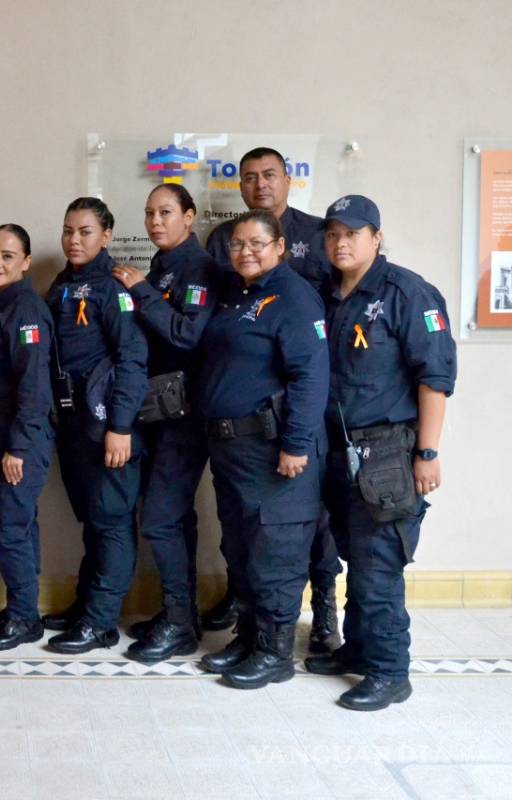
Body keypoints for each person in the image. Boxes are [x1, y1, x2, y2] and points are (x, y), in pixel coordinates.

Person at [306, 195, 456, 710]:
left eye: (352, 232)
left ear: (376, 236)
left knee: (378, 566)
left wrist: (428, 452)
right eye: (332, 233)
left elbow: (434, 379)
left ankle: (391, 672)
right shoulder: (326, 293)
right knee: (354, 556)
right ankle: (359, 650)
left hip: (388, 451)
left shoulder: (407, 293)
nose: (340, 242)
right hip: (336, 448)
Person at [203, 146, 342, 652]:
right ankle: (248, 640)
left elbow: (310, 372)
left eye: (258, 245)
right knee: (244, 546)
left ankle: (278, 648)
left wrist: (297, 442)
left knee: (282, 547)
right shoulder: (241, 291)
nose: (246, 252)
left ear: (280, 247)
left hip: (281, 440)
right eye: (238, 244)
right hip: (236, 445)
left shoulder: (296, 290)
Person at [110, 184, 216, 664]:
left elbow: (187, 333)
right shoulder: (162, 265)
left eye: (166, 212)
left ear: (189, 217)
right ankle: (181, 614)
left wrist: (142, 291)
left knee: (158, 518)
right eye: (150, 212)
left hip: (185, 418)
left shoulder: (197, 268)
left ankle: (179, 623)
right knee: (175, 519)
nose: (155, 221)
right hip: (156, 413)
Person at [42, 197, 149, 654]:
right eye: (68, 230)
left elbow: (132, 360)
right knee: (94, 519)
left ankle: (102, 622)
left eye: (85, 231)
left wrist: (121, 427)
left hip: (109, 425)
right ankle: (88, 605)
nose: (73, 240)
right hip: (72, 424)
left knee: (111, 521)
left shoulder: (113, 287)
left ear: (106, 236)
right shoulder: (61, 285)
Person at [0, 225, 54, 650]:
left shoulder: (26, 310)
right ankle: (23, 610)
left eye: (7, 256)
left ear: (26, 262)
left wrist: (19, 446)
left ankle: (23, 619)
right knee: (17, 527)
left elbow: (34, 385)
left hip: (21, 438)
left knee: (9, 530)